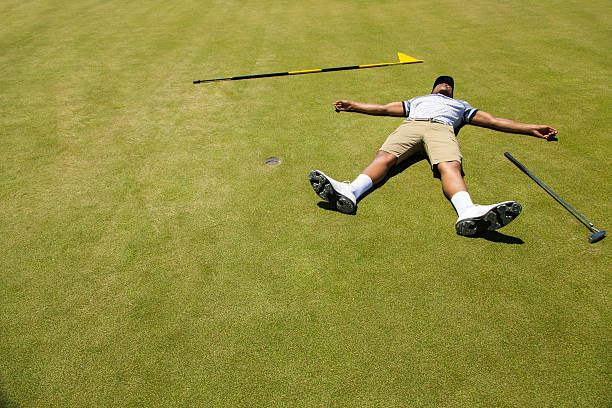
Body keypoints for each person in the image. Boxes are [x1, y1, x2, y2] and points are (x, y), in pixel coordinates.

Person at [308, 76, 558, 236]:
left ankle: (467, 211)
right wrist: (354, 106)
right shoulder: (419, 100)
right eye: (442, 82)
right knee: (384, 158)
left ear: (452, 91)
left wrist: (531, 128)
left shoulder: (461, 105)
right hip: (413, 124)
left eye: (449, 84)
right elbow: (384, 108)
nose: (446, 84)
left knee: (450, 167)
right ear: (433, 88)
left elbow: (493, 121)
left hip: (442, 129)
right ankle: (350, 192)